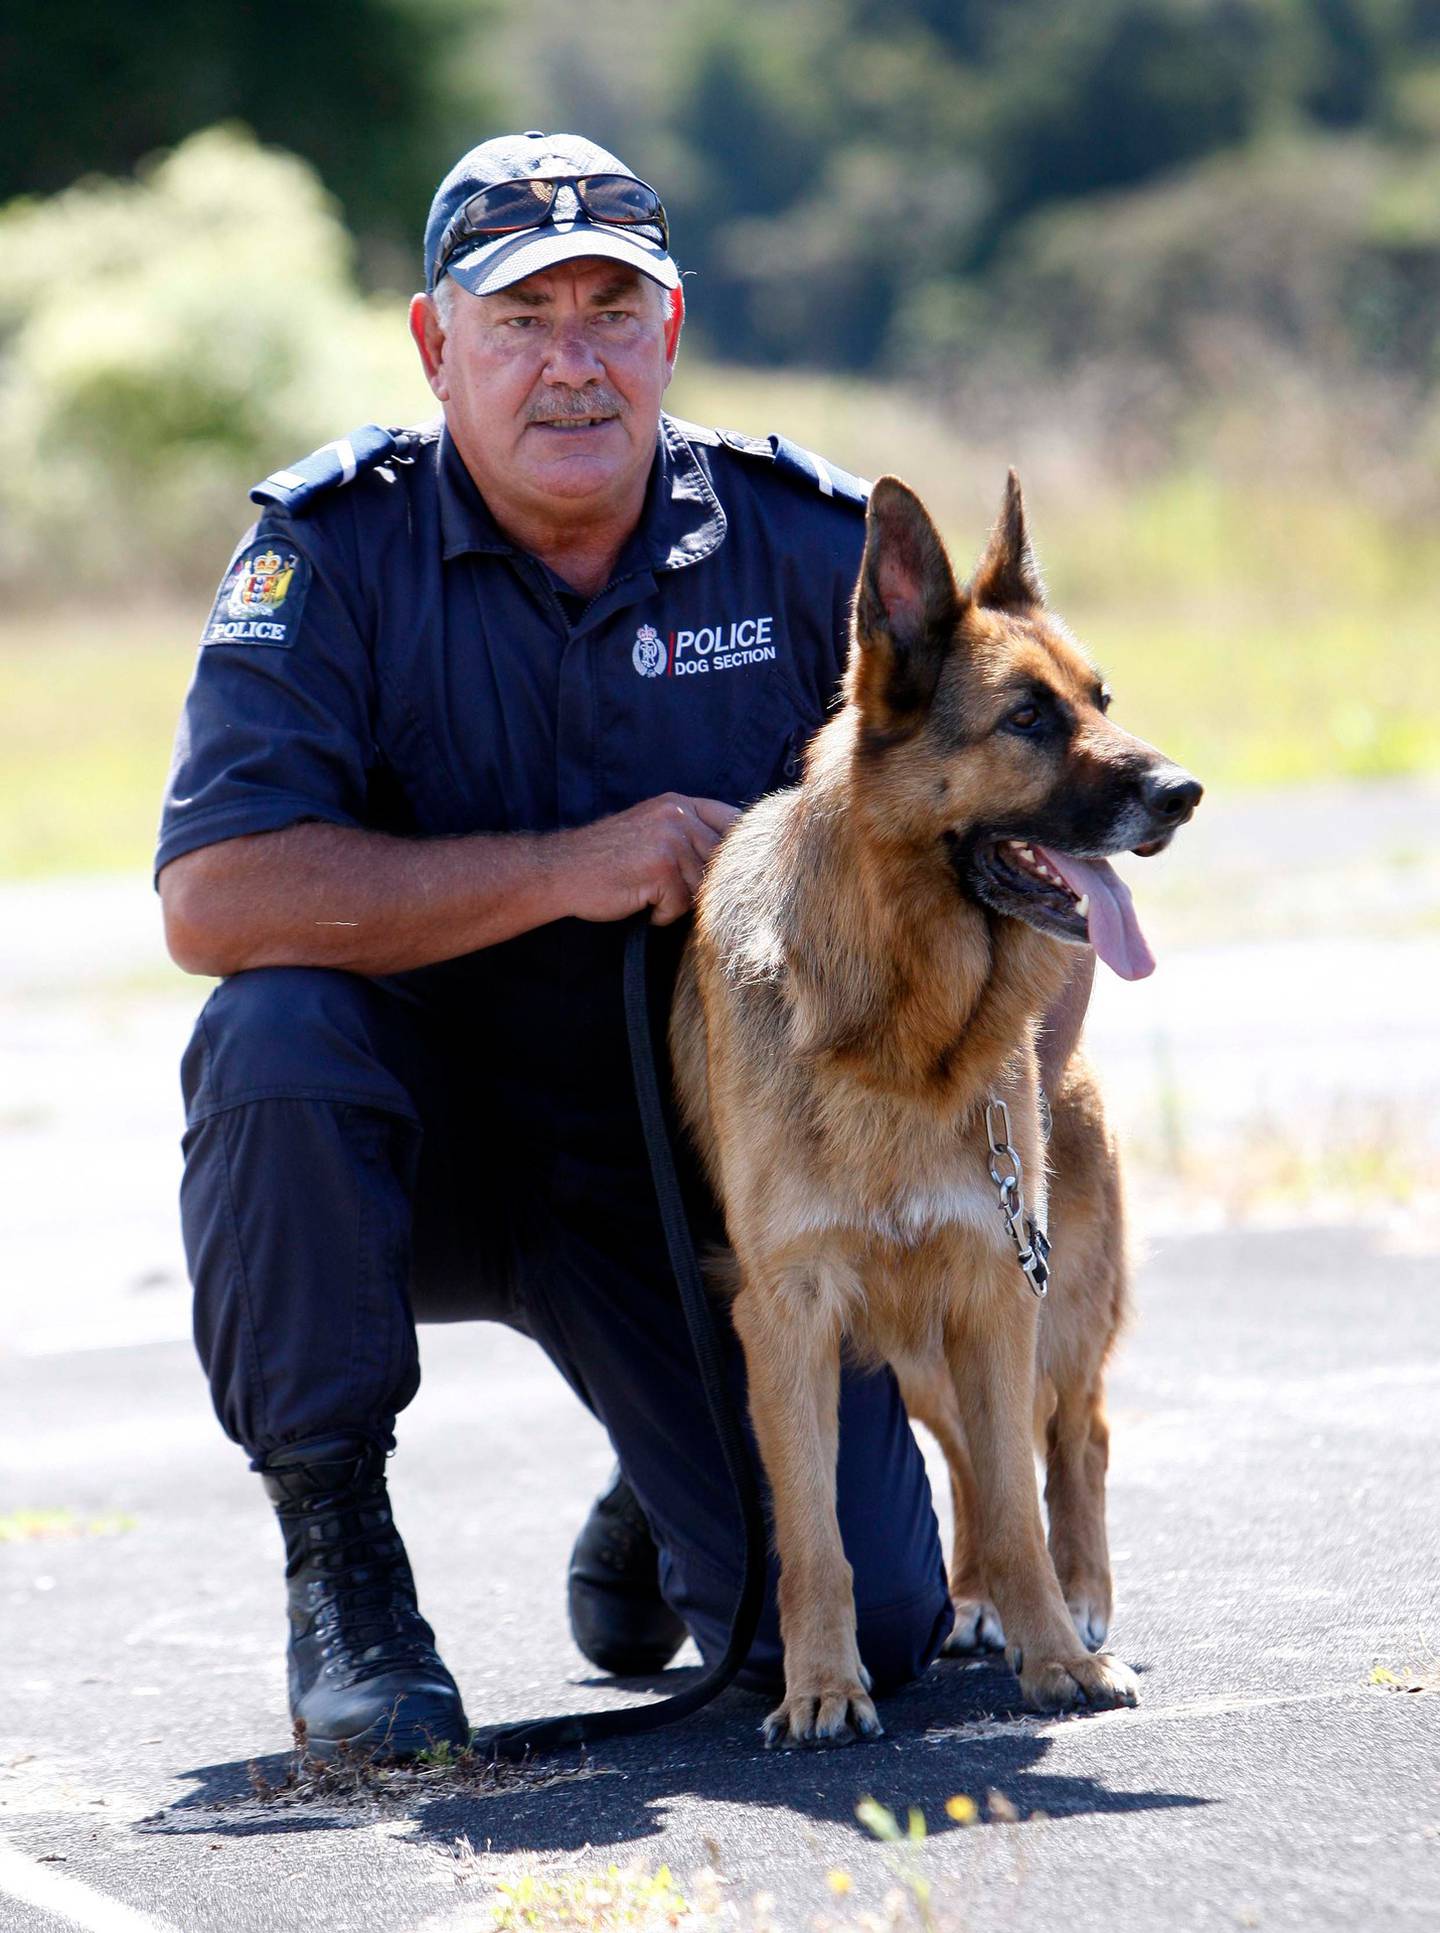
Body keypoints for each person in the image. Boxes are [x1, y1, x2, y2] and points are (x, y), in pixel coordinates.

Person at [157, 130, 1093, 1759]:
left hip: (706, 1186)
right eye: (519, 321)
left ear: (670, 334)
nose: (571, 364)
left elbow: (1032, 839)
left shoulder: (803, 546)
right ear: (434, 346)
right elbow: (214, 897)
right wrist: (568, 865)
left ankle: (676, 1445)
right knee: (273, 1037)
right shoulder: (331, 555)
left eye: (612, 313)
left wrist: (976, 1116)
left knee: (878, 1623)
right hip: (423, 1150)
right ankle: (344, 1567)